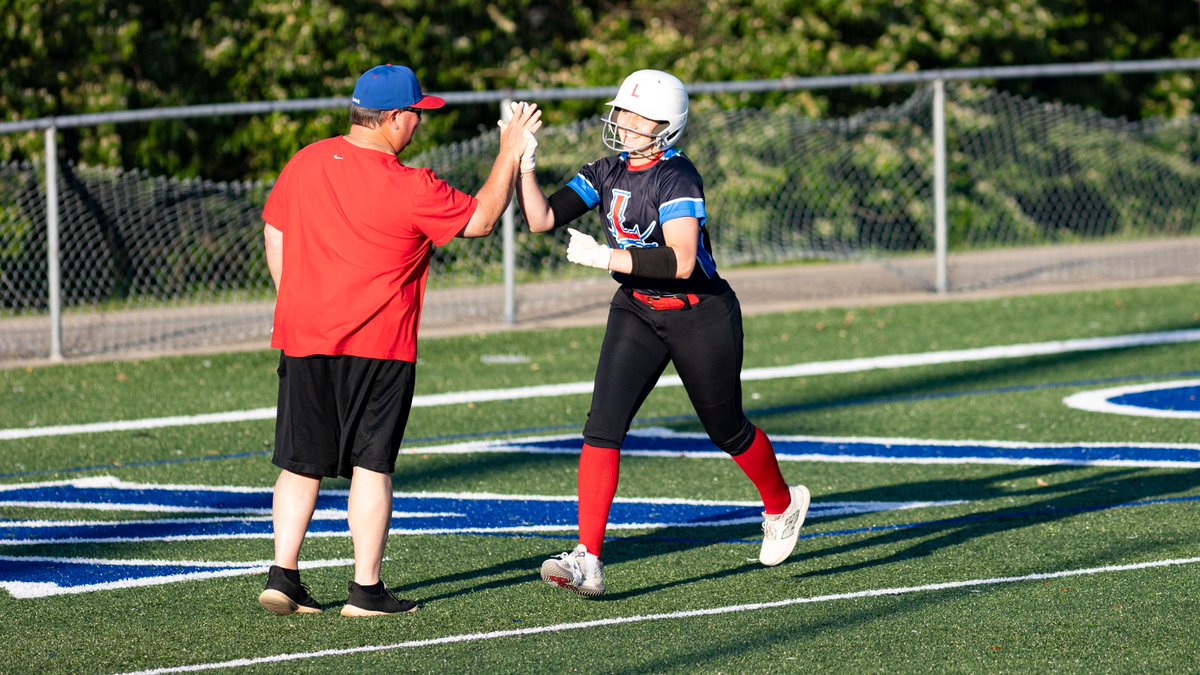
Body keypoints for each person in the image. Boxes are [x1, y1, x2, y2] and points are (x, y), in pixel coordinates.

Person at [257, 64, 540, 616]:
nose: (417, 124)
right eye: (414, 114)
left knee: (299, 462)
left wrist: (295, 298)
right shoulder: (410, 185)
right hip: (380, 345)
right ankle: (365, 590)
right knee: (372, 464)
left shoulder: (305, 161)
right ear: (390, 118)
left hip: (305, 333)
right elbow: (481, 219)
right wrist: (509, 150)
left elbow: (275, 230)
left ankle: (283, 575)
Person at [513, 69, 809, 597]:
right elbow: (540, 219)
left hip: (699, 311)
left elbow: (682, 259)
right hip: (637, 309)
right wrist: (524, 163)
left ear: (665, 126)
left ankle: (782, 505)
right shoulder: (607, 169)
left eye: (634, 116)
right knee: (602, 426)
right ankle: (588, 558)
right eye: (622, 112)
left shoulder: (678, 178)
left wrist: (606, 255)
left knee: (727, 429)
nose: (622, 123)